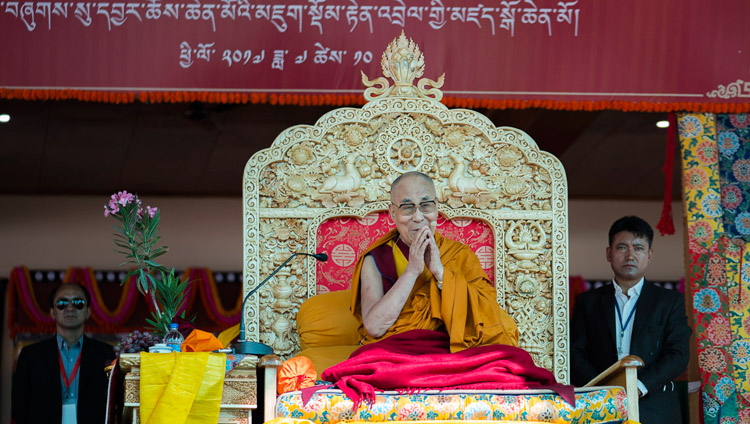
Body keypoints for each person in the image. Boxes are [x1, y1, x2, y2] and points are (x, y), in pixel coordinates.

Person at [350, 171, 518, 352]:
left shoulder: (458, 254)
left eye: (425, 206)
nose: (418, 217)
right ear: (393, 213)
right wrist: (412, 271)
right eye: (407, 208)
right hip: (398, 350)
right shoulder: (376, 258)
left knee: (510, 361)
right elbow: (374, 327)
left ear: (436, 207)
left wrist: (440, 273)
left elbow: (489, 315)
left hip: (450, 347)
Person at [570, 216, 691, 424]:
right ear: (609, 253)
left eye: (638, 248)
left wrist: (639, 386)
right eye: (622, 247)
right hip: (600, 407)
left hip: (657, 409)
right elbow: (575, 353)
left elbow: (678, 355)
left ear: (650, 254)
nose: (630, 255)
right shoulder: (588, 302)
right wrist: (604, 390)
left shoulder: (669, 301)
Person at [12, 283, 116, 424]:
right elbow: (19, 409)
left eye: (78, 303)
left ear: (88, 311)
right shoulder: (30, 355)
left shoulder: (107, 354)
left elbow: (115, 404)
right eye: (62, 303)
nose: (70, 308)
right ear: (52, 312)